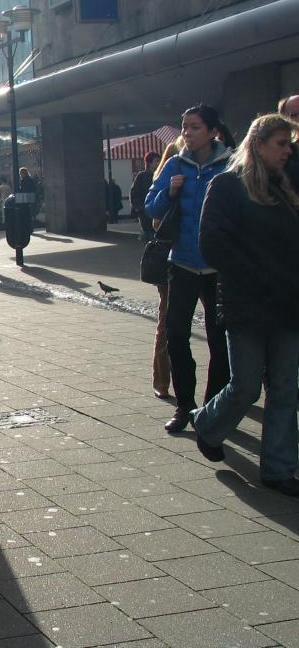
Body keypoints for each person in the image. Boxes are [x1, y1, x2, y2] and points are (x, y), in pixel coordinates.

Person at [191, 114, 299, 497]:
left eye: (289, 144)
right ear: (258, 144)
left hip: (287, 305)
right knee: (246, 386)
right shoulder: (227, 186)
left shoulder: (285, 189)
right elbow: (213, 243)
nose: (288, 151)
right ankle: (207, 424)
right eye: (281, 144)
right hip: (248, 304)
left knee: (286, 389)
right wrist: (257, 275)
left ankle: (279, 469)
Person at [145, 104, 232, 433]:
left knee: (218, 338)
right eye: (184, 127)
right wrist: (170, 191)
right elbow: (151, 206)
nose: (187, 133)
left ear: (212, 131)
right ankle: (185, 405)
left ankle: (212, 408)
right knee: (176, 334)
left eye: (195, 127)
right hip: (180, 263)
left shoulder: (230, 165)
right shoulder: (174, 165)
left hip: (217, 268)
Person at [148, 138, 184, 400]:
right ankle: (161, 380)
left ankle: (162, 381)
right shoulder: (167, 184)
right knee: (168, 321)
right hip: (172, 259)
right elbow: (156, 218)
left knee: (167, 321)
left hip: (192, 259)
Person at [131, 152, 161, 241]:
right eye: (156, 161)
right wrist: (140, 209)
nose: (159, 163)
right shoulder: (142, 176)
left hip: (158, 212)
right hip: (145, 214)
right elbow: (134, 193)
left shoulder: (161, 175)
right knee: (149, 237)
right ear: (149, 163)